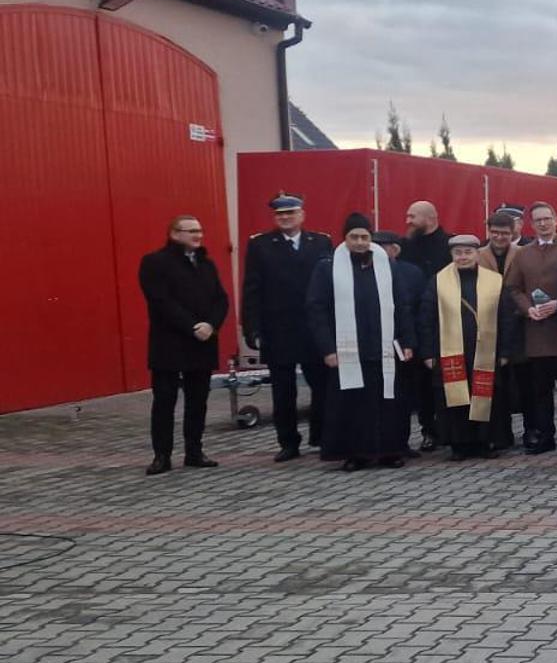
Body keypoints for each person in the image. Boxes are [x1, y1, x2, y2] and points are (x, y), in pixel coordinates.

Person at [308, 213, 417, 471]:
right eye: (353, 237)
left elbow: (401, 304)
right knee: (353, 404)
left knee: (388, 402)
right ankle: (356, 454)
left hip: (385, 348)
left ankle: (390, 451)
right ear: (344, 238)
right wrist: (327, 349)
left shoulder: (386, 265)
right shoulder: (327, 267)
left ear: (371, 238)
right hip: (348, 351)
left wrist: (408, 340)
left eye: (364, 237)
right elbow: (316, 310)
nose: (359, 242)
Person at [241, 194, 333, 462]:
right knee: (283, 391)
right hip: (278, 329)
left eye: (291, 213)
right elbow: (252, 289)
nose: (285, 218)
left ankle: (321, 435)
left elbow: (330, 286)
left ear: (302, 215)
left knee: (323, 386)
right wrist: (252, 328)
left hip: (314, 329)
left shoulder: (321, 242)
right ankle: (288, 442)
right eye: (280, 214)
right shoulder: (260, 245)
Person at [138, 214, 229, 475]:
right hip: (170, 344)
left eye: (199, 230)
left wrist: (211, 325)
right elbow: (161, 301)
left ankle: (194, 451)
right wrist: (192, 327)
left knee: (198, 401)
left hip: (203, 343)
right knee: (165, 401)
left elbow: (221, 300)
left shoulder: (207, 265)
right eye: (190, 231)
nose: (197, 235)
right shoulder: (155, 262)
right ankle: (162, 456)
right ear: (174, 234)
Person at [418, 234, 517, 461]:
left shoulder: (494, 281)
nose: (463, 257)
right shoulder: (438, 281)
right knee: (456, 399)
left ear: (477, 254)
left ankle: (486, 442)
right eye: (458, 253)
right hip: (450, 352)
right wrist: (428, 353)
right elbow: (426, 319)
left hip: (486, 352)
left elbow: (507, 319)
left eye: (468, 252)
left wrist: (505, 351)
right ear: (452, 255)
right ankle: (458, 444)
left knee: (488, 396)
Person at [503, 202, 557, 455]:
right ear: (531, 224)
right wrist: (528, 309)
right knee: (540, 394)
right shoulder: (522, 254)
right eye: (538, 220)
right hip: (536, 334)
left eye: (547, 218)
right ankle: (546, 436)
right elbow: (513, 288)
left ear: (556, 220)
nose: (543, 223)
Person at [401, 201, 452, 449]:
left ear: (430, 218)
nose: (408, 221)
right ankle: (428, 431)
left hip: (448, 322)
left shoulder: (450, 245)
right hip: (416, 325)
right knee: (421, 382)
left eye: (412, 216)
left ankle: (450, 429)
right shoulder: (406, 247)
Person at [374, 231, 429, 454]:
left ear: (394, 249)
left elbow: (419, 309)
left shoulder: (411, 273)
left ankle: (401, 442)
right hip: (373, 345)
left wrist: (411, 342)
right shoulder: (364, 271)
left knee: (402, 397)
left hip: (403, 343)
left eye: (382, 246)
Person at [477, 212, 527, 451]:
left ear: (513, 233)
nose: (499, 237)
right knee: (495, 387)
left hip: (520, 326)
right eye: (495, 232)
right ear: (488, 232)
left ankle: (531, 431)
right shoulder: (477, 256)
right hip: (487, 329)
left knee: (524, 384)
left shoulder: (522, 254)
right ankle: (499, 433)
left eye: (505, 233)